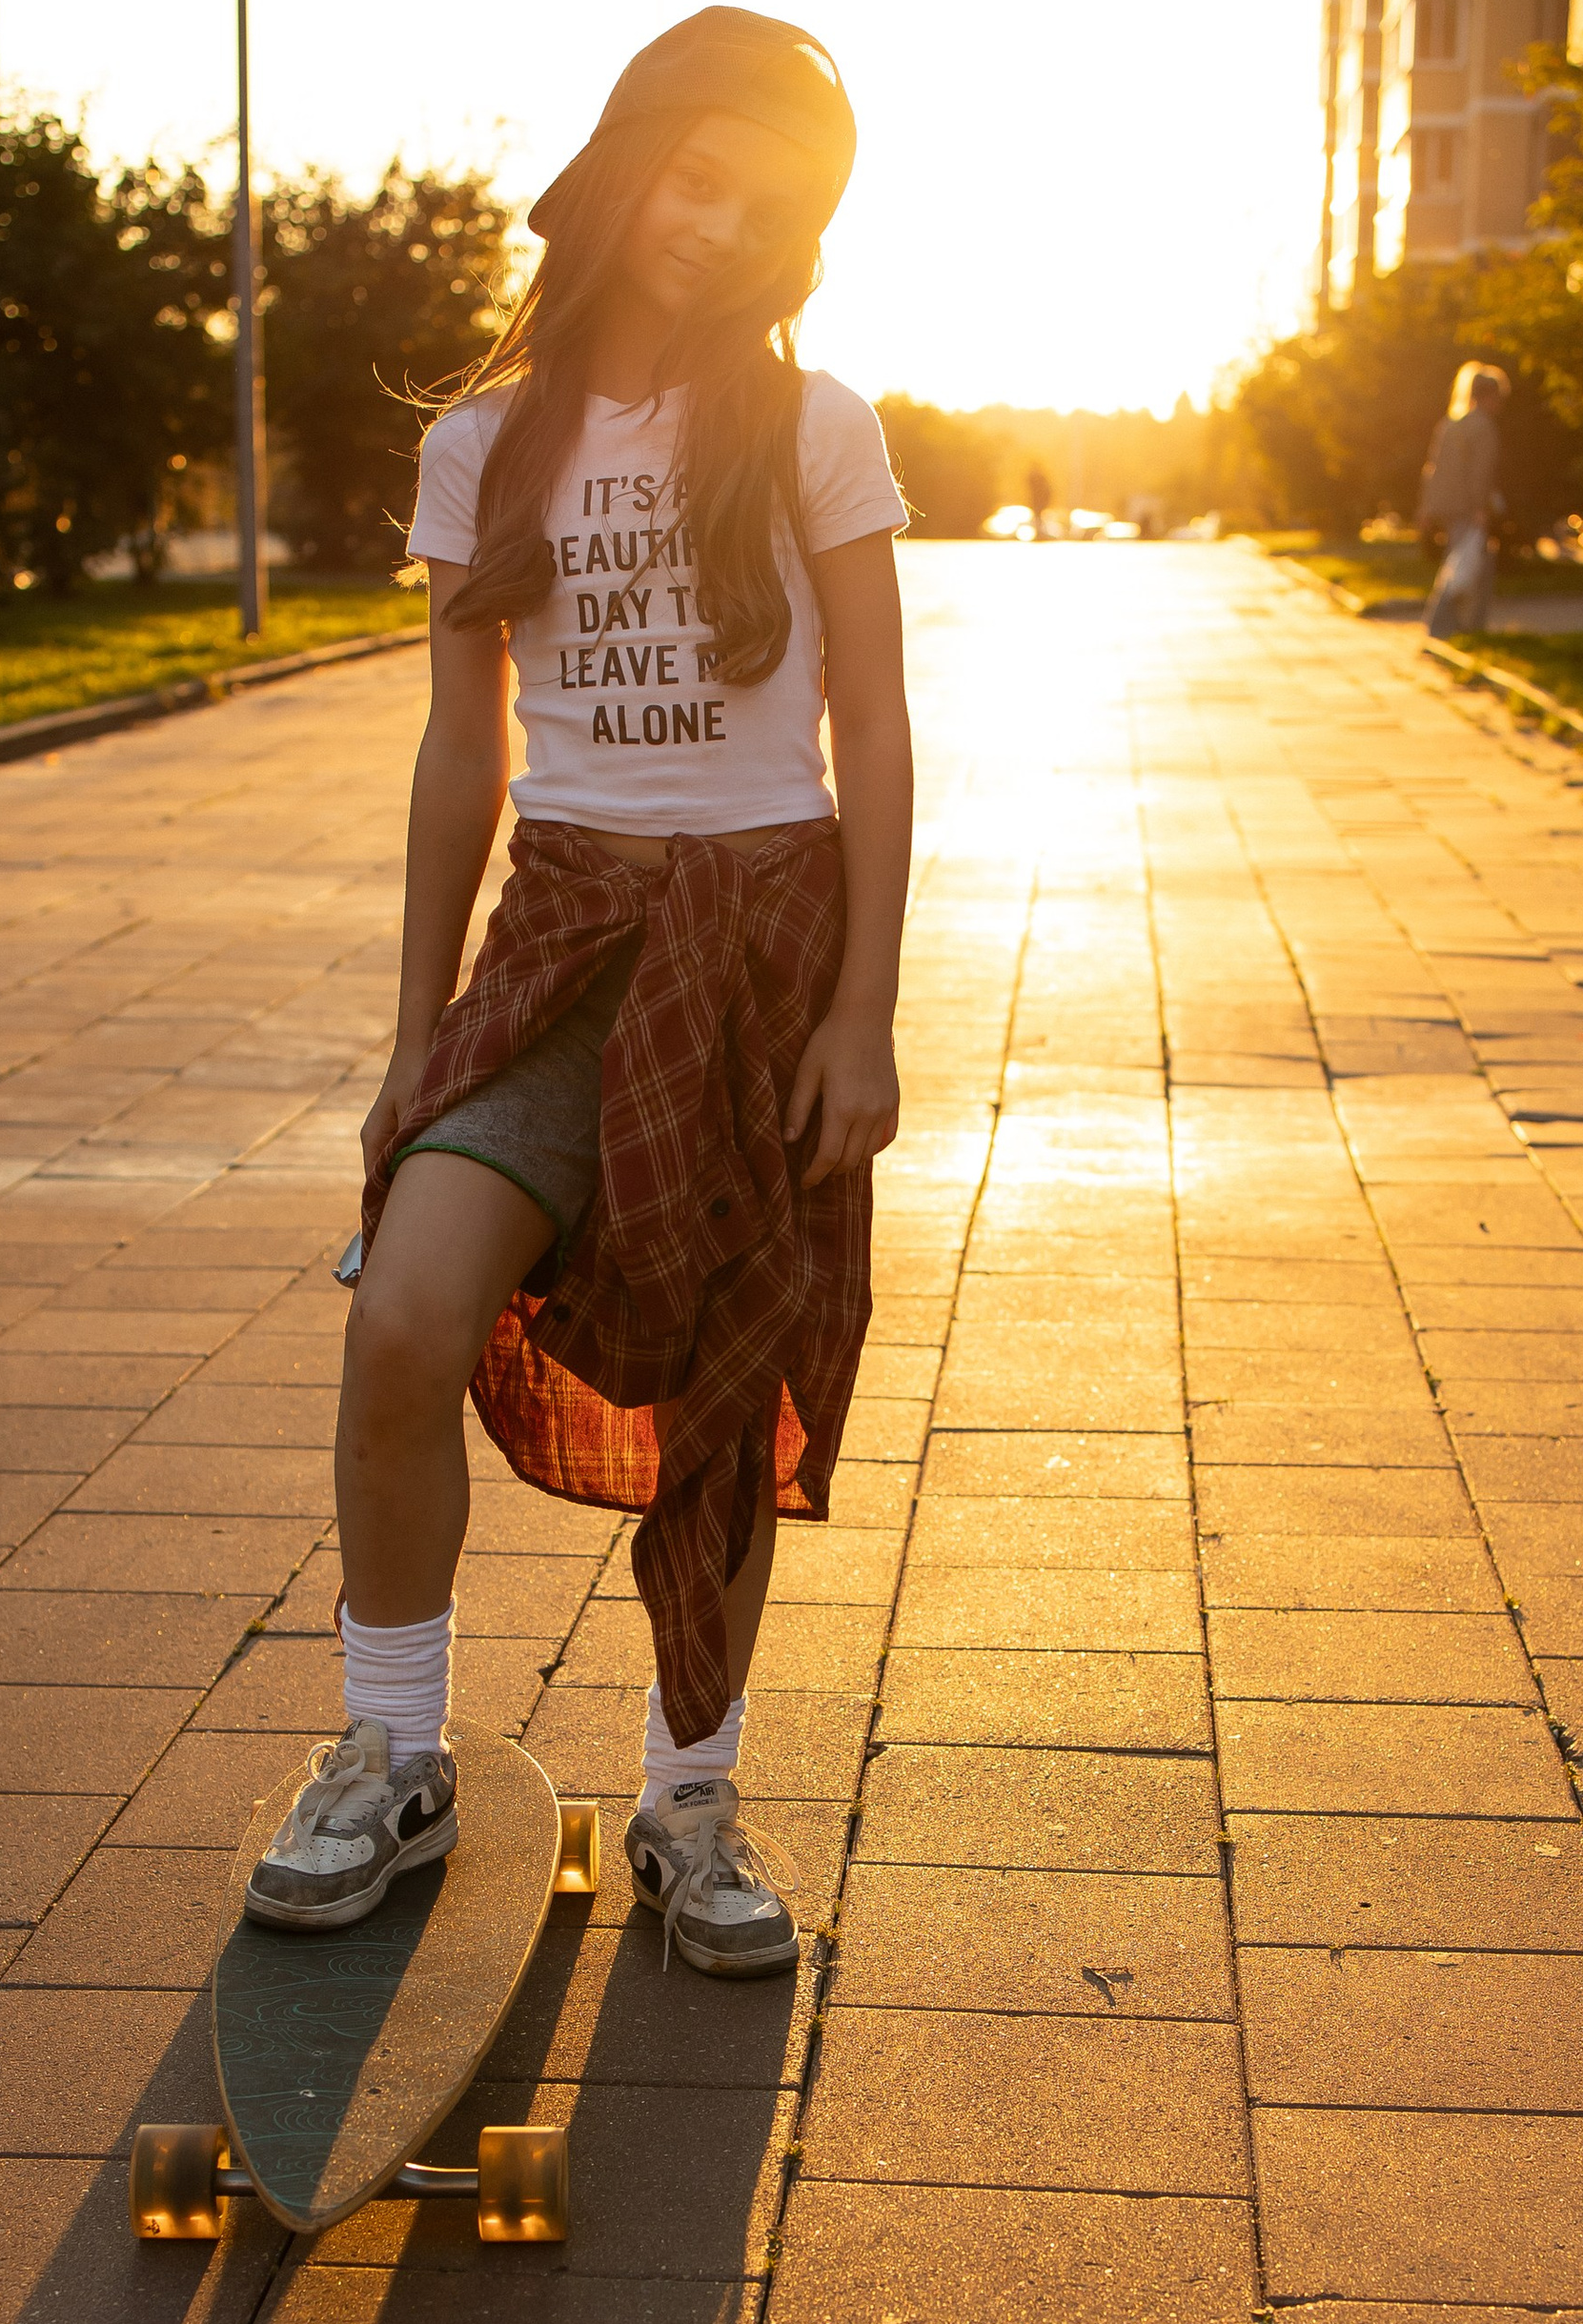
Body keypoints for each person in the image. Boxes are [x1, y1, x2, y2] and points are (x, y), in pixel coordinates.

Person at [241, 9, 912, 1981]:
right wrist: (409, 1038)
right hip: (559, 945)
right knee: (403, 1322)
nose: (712, 226)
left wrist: (861, 1011)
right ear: (625, 162)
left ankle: (689, 1794)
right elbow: (463, 753)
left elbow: (871, 721)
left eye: (758, 206)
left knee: (727, 1395)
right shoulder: (482, 444)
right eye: (693, 174)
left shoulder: (812, 427)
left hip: (760, 941)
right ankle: (391, 1746)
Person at [1419, 361, 1509, 638]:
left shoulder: (1451, 424)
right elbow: (1479, 473)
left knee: (1460, 563)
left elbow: (1433, 468)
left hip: (1447, 507)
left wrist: (1426, 507)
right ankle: (1450, 629)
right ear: (1489, 396)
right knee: (1467, 568)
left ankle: (1452, 628)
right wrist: (1480, 508)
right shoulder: (1483, 427)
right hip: (1469, 508)